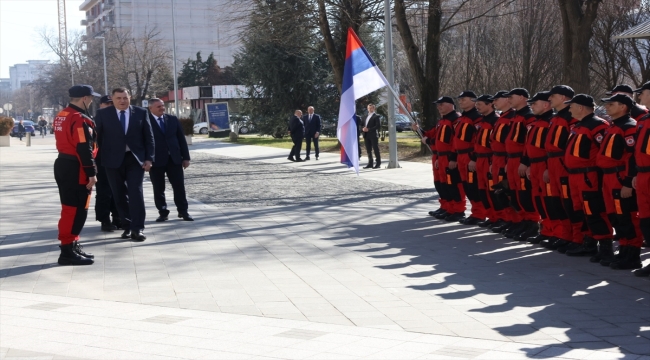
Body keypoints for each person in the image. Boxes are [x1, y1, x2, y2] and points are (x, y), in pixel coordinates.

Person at [95, 87, 155, 242]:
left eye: (125, 98)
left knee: (136, 192)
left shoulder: (141, 113)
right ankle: (127, 226)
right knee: (119, 194)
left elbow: (149, 137)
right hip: (112, 160)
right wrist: (96, 161)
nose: (122, 101)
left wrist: (149, 158)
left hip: (135, 159)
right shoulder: (103, 114)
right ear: (112, 99)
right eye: (118, 98)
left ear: (130, 97)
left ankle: (138, 228)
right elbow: (97, 140)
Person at [53, 85, 100, 265]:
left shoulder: (62, 115)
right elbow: (83, 147)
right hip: (76, 166)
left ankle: (72, 244)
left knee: (70, 207)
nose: (91, 100)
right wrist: (91, 173)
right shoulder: (79, 118)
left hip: (64, 164)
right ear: (84, 99)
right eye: (90, 97)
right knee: (77, 209)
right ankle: (67, 251)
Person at [595, 94, 642, 269]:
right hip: (608, 178)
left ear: (623, 107)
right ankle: (623, 248)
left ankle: (632, 253)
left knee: (626, 215)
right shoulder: (614, 127)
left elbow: (632, 156)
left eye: (611, 104)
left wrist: (628, 182)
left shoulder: (629, 127)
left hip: (619, 177)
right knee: (614, 214)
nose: (606, 107)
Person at [562, 94, 611, 257]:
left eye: (572, 105)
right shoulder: (578, 126)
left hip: (589, 176)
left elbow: (603, 151)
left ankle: (605, 246)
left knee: (594, 210)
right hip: (575, 176)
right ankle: (588, 242)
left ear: (581, 107)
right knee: (580, 210)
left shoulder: (598, 125)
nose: (569, 108)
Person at [540, 85, 580, 251]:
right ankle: (565, 234)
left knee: (569, 202)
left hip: (564, 164)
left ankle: (577, 237)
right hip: (553, 163)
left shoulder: (572, 118)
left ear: (564, 98)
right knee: (555, 201)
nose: (549, 99)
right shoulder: (556, 118)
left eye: (553, 96)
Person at [148, 98, 193, 222]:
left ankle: (183, 211)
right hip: (156, 160)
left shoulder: (172, 119)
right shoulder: (145, 121)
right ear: (150, 108)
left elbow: (181, 139)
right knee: (158, 188)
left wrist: (186, 158)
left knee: (179, 186)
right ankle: (163, 212)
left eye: (162, 106)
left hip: (174, 159)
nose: (162, 108)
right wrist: (147, 159)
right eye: (159, 106)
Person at [504, 88, 539, 240]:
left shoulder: (529, 116)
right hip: (512, 160)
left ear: (522, 97)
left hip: (521, 159)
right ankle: (522, 221)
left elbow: (527, 143)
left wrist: (526, 162)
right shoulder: (515, 116)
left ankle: (532, 223)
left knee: (525, 193)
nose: (509, 99)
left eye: (511, 97)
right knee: (515, 193)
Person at [523, 91, 554, 244]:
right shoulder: (536, 122)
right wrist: (528, 164)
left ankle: (554, 231)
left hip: (544, 164)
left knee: (549, 199)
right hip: (534, 165)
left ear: (546, 104)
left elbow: (552, 149)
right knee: (538, 198)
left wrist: (548, 167)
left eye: (535, 103)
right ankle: (545, 229)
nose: (532, 106)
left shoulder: (551, 122)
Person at [432, 96, 466, 222]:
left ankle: (458, 210)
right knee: (442, 184)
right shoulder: (443, 120)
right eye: (438, 105)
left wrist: (453, 157)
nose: (439, 107)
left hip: (449, 156)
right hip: (441, 156)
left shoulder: (455, 119)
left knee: (453, 184)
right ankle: (447, 207)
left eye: (441, 104)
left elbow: (455, 141)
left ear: (451, 105)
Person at [454, 91, 486, 225]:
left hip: (469, 155)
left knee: (473, 185)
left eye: (463, 99)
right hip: (461, 155)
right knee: (467, 186)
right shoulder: (462, 117)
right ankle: (475, 212)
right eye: (459, 100)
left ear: (473, 100)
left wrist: (473, 157)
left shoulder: (476, 118)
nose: (460, 102)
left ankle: (480, 213)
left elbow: (477, 140)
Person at [473, 94, 505, 228]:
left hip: (490, 159)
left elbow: (496, 145)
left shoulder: (495, 121)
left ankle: (500, 217)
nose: (477, 107)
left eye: (479, 104)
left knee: (493, 189)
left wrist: (492, 162)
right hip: (480, 159)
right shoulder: (482, 121)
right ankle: (491, 216)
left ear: (489, 104)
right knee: (482, 190)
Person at [489, 91, 518, 233]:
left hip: (506, 159)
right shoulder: (502, 118)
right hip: (497, 158)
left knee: (508, 190)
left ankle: (516, 220)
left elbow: (510, 144)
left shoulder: (511, 118)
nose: (494, 102)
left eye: (496, 99)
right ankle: (508, 219)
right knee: (499, 190)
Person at [94, 95, 121, 232]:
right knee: (104, 191)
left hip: (119, 159)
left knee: (120, 190)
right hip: (102, 160)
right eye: (107, 104)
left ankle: (118, 217)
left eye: (112, 104)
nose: (110, 106)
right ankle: (104, 220)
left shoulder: (119, 117)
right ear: (101, 105)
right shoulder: (97, 118)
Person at [632, 81, 650, 276]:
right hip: (643, 173)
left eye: (642, 93)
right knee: (645, 218)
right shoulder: (644, 120)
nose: (639, 97)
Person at [362, 104, 381, 169]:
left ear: (374, 108)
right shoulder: (365, 116)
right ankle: (370, 163)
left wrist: (369, 129)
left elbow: (378, 126)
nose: (370, 109)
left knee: (376, 149)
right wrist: (363, 128)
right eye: (368, 108)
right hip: (366, 135)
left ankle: (378, 163)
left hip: (373, 135)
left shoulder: (376, 116)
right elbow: (361, 124)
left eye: (371, 108)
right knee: (368, 150)